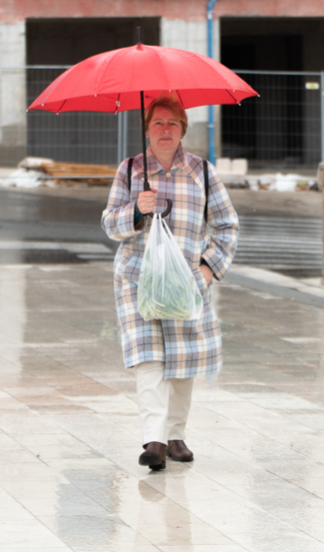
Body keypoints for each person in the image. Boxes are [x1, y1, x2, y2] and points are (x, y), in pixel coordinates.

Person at [101, 96, 238, 471]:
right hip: (137, 280)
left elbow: (227, 225)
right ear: (146, 129)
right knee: (149, 358)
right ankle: (155, 440)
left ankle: (175, 434)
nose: (165, 130)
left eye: (173, 124)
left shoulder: (203, 173)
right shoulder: (129, 171)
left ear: (182, 130)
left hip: (186, 283)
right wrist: (136, 211)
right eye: (158, 123)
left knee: (182, 359)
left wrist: (208, 270)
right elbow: (110, 225)